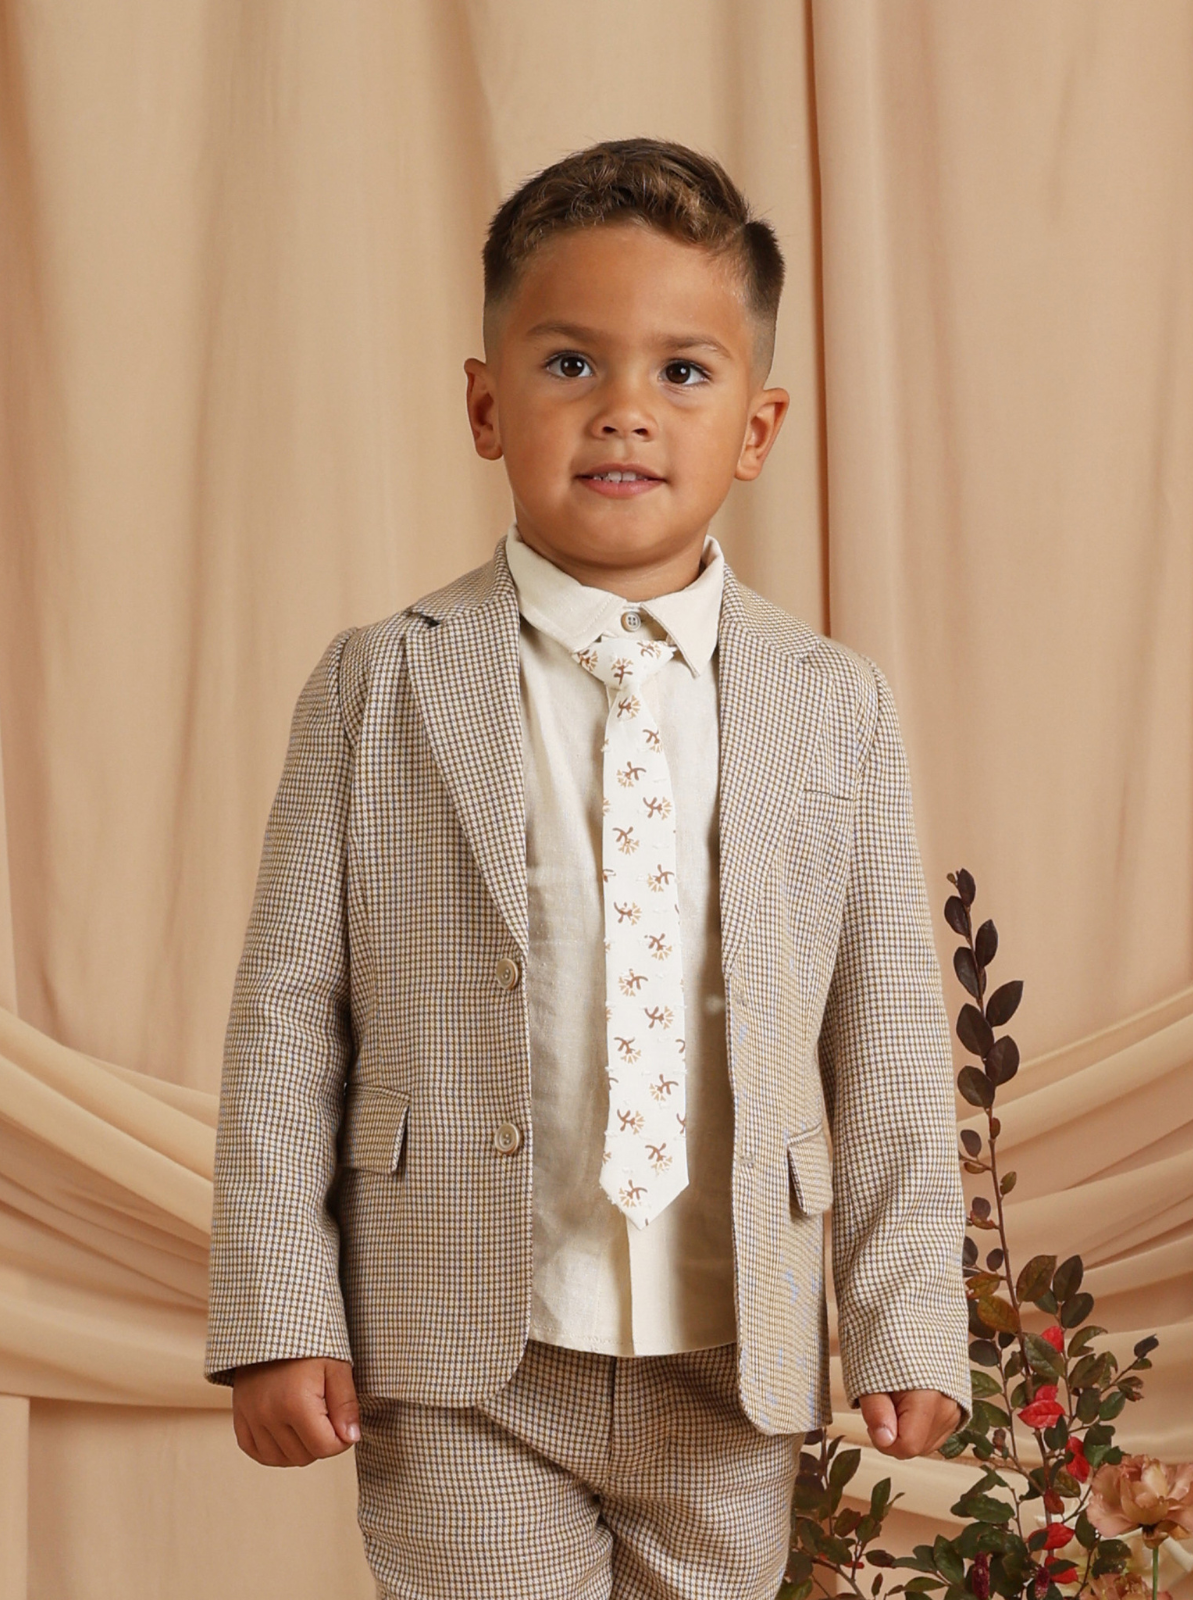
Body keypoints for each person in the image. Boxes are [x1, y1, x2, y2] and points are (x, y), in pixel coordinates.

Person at [205, 137, 971, 1600]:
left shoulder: (833, 704)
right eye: (570, 365)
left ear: (758, 426)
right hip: (461, 1354)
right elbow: (287, 1015)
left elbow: (880, 1037)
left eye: (683, 372)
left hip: (728, 1361)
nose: (624, 411)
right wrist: (279, 1308)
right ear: (488, 403)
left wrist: (906, 1317)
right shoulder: (380, 684)